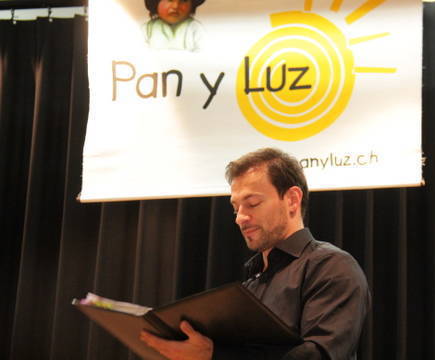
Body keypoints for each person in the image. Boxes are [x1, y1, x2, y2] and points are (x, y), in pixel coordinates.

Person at [141, 148, 371, 359]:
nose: (240, 218)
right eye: (235, 208)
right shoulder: (253, 281)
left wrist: (214, 355)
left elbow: (318, 356)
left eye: (252, 203)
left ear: (292, 200)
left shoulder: (331, 267)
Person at [142, 0, 212, 52]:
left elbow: (204, 52)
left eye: (184, 0)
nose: (175, 6)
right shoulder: (148, 29)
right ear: (156, 3)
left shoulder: (195, 28)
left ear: (192, 6)